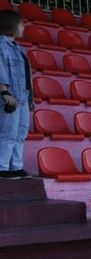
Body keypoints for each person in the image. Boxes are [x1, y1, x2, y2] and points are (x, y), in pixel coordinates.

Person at [0, 9, 33, 179]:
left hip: (22, 97)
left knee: (20, 133)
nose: (23, 27)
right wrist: (4, 92)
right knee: (8, 133)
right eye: (20, 24)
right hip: (9, 97)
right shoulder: (0, 45)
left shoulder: (19, 48)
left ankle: (16, 166)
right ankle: (2, 166)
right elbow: (1, 69)